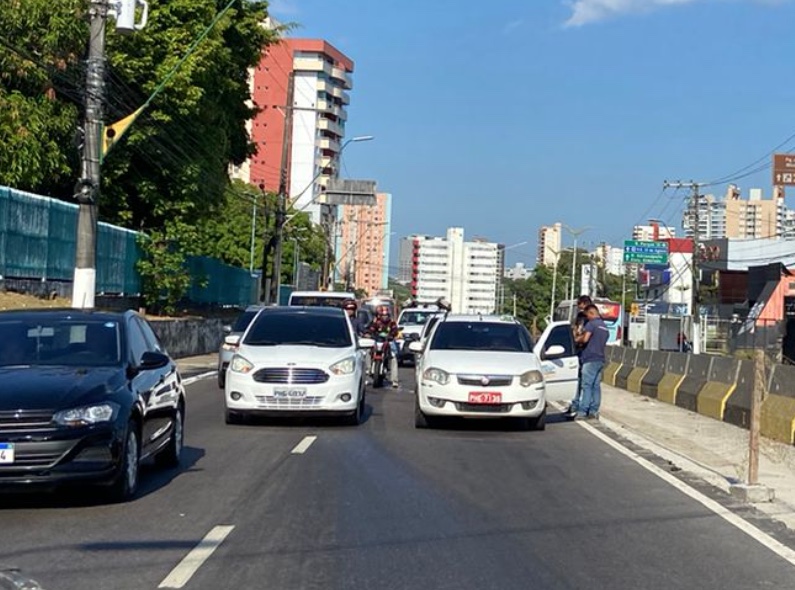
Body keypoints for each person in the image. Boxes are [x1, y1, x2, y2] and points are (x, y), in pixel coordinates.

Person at [574, 304, 610, 420]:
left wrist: (577, 339)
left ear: (591, 313)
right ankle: (594, 411)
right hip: (600, 359)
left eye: (587, 315)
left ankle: (582, 411)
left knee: (586, 385)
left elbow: (585, 339)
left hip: (589, 359)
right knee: (596, 386)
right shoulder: (604, 326)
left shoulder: (592, 324)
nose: (587, 318)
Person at [565, 295, 593, 418]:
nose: (578, 308)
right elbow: (575, 330)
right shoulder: (580, 317)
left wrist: (578, 338)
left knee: (587, 383)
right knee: (577, 379)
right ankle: (575, 405)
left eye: (579, 305)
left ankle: (584, 408)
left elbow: (585, 336)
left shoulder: (591, 319)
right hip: (579, 350)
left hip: (586, 352)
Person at [365, 305, 400, 388]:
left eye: (386, 315)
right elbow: (371, 329)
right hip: (377, 341)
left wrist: (392, 335)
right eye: (383, 315)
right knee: (367, 352)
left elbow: (395, 330)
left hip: (388, 342)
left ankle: (394, 380)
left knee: (394, 357)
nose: (385, 317)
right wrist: (369, 333)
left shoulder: (392, 323)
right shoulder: (376, 322)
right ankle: (368, 370)